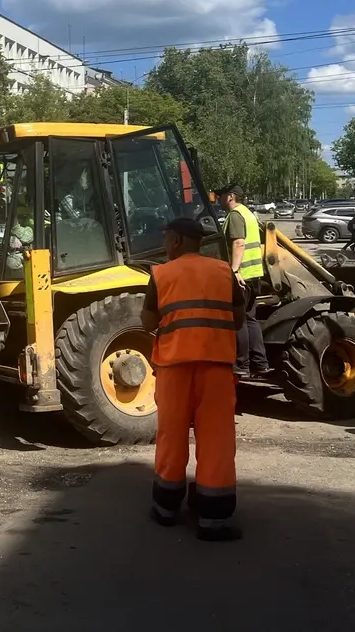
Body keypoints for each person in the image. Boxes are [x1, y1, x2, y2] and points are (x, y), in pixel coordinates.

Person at [142, 216, 245, 541]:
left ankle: (166, 509)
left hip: (174, 370)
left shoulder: (161, 274)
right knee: (217, 439)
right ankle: (213, 519)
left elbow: (146, 322)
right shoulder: (223, 271)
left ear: (175, 240)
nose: (163, 245)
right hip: (215, 369)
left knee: (171, 437)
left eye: (165, 239)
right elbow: (239, 319)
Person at [217, 184, 270, 380]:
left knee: (239, 321)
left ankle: (241, 364)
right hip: (255, 274)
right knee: (251, 319)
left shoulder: (235, 216)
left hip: (243, 275)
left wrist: (234, 270)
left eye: (221, 195)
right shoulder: (249, 213)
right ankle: (261, 364)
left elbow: (239, 242)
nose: (218, 199)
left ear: (230, 196)